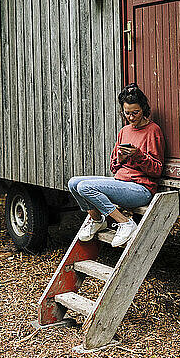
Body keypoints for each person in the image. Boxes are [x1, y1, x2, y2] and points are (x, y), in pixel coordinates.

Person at [68, 83, 165, 247]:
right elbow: (113, 168)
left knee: (85, 187)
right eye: (127, 113)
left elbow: (156, 170)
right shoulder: (124, 131)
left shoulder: (153, 131)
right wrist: (120, 158)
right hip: (121, 183)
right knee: (73, 183)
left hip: (141, 189)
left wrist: (138, 155)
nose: (131, 117)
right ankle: (97, 220)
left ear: (144, 109)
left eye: (136, 113)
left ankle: (125, 223)